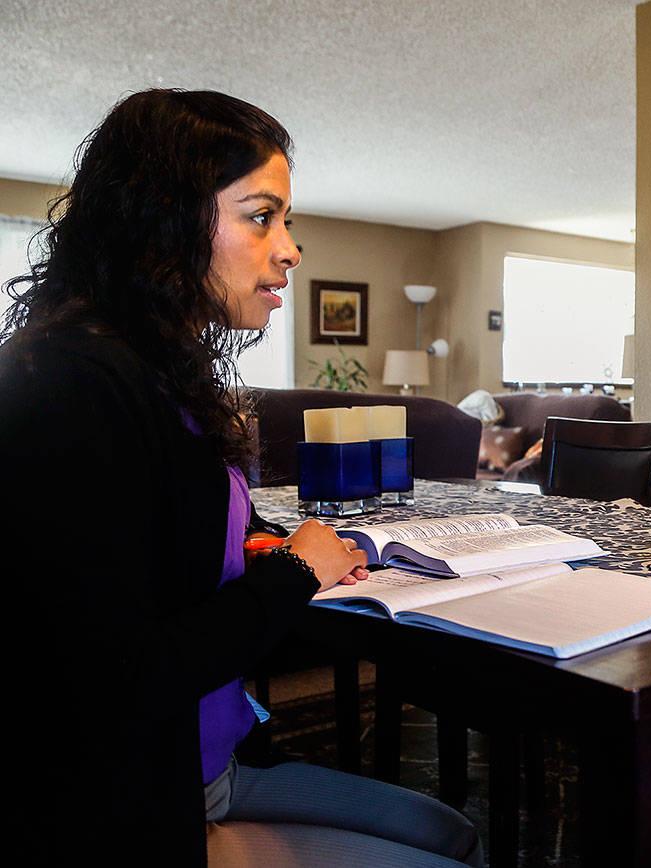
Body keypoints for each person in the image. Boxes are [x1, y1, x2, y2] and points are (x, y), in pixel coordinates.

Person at [0, 89, 481, 866]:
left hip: (217, 760)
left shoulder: (161, 372)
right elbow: (114, 674)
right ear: (161, 219)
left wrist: (263, 544)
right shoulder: (67, 384)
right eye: (263, 217)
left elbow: (160, 542)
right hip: (132, 801)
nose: (290, 248)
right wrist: (293, 572)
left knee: (452, 831)